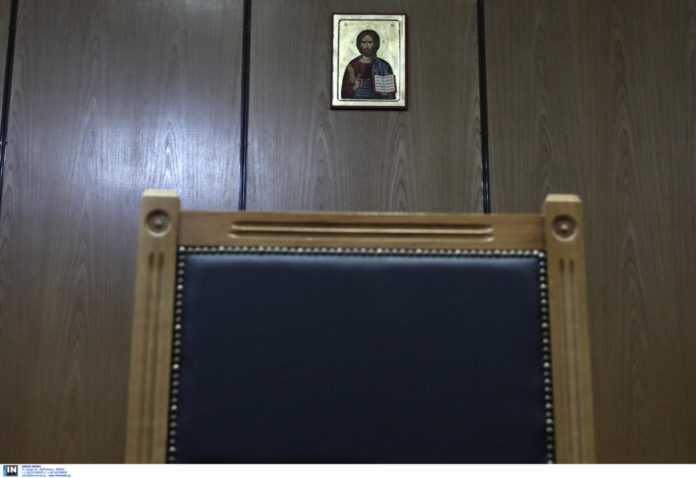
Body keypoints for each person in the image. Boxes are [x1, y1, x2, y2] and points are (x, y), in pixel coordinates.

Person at [341, 29, 396, 99]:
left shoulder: (384, 65)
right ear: (359, 44)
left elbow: (391, 95)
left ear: (375, 44)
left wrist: (385, 93)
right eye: (363, 42)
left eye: (370, 42)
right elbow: (344, 93)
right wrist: (354, 87)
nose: (366, 46)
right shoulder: (353, 65)